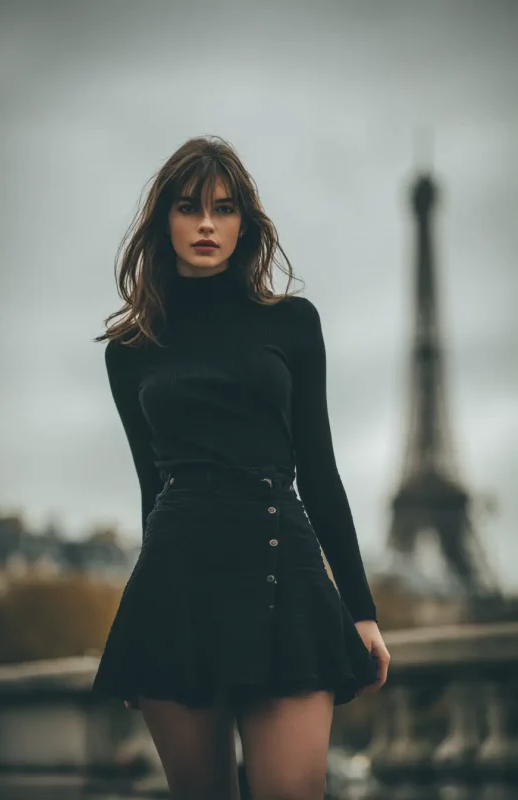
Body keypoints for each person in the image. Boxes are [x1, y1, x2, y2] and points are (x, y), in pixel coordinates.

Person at [92, 135, 390, 800]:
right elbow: (152, 486)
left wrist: (361, 609)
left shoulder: (290, 323)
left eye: (223, 209)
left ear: (243, 225)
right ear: (162, 220)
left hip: (282, 571)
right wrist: (147, 629)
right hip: (176, 590)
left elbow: (318, 468)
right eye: (188, 207)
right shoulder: (128, 352)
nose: (205, 224)